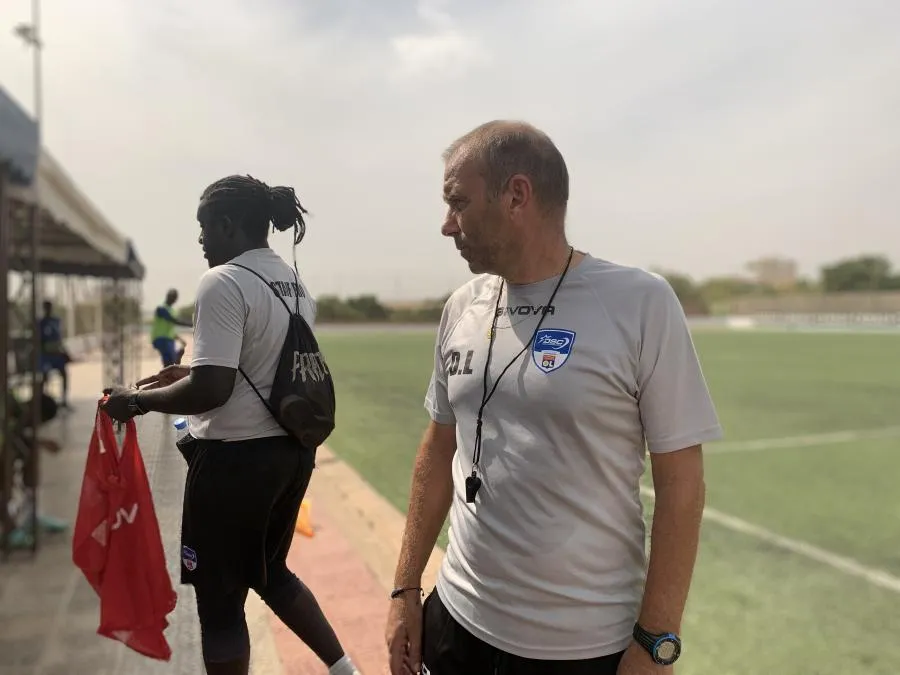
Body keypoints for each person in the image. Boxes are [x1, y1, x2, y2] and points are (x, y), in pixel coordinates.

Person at [385, 121, 723, 675]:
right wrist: (405, 589)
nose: (447, 225)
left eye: (458, 203)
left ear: (517, 195)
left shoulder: (640, 303)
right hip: (455, 620)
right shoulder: (461, 307)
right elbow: (438, 447)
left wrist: (657, 642)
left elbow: (681, 482)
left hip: (581, 647)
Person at [102, 175, 360, 675]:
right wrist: (189, 372)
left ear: (227, 224)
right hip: (291, 455)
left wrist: (136, 400)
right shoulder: (292, 281)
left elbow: (213, 392)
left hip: (233, 464)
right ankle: (345, 668)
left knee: (220, 607)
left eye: (204, 228)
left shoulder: (222, 281)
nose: (200, 240)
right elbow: (253, 365)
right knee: (272, 574)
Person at [38, 300, 73, 408]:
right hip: (46, 355)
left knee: (64, 374)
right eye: (46, 307)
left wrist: (65, 352)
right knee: (44, 377)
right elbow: (39, 341)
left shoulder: (56, 321)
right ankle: (42, 400)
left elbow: (59, 339)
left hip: (57, 355)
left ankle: (64, 400)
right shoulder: (41, 323)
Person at [150, 289, 193, 367]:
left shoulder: (173, 311)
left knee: (171, 362)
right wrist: (191, 324)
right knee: (169, 361)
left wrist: (180, 339)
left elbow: (170, 328)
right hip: (160, 338)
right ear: (167, 296)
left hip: (169, 339)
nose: (173, 299)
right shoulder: (161, 308)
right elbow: (173, 320)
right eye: (172, 297)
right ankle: (175, 358)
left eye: (174, 298)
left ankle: (176, 359)